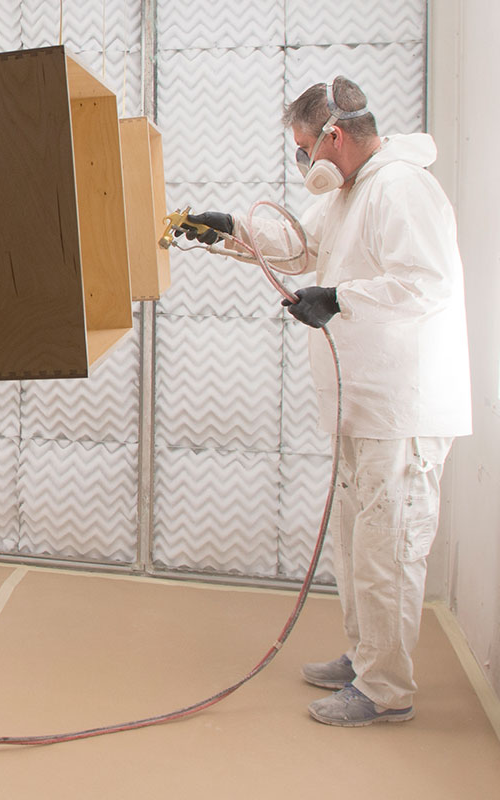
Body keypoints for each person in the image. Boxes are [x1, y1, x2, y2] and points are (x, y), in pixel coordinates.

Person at [184, 76, 472, 727]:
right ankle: (365, 655)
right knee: (357, 543)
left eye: (303, 150)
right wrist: (226, 228)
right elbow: (299, 247)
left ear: (334, 137)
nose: (302, 164)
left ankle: (385, 689)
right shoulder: (352, 191)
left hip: (403, 411)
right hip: (363, 407)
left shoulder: (401, 188)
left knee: (388, 548)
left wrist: (339, 299)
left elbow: (426, 283)